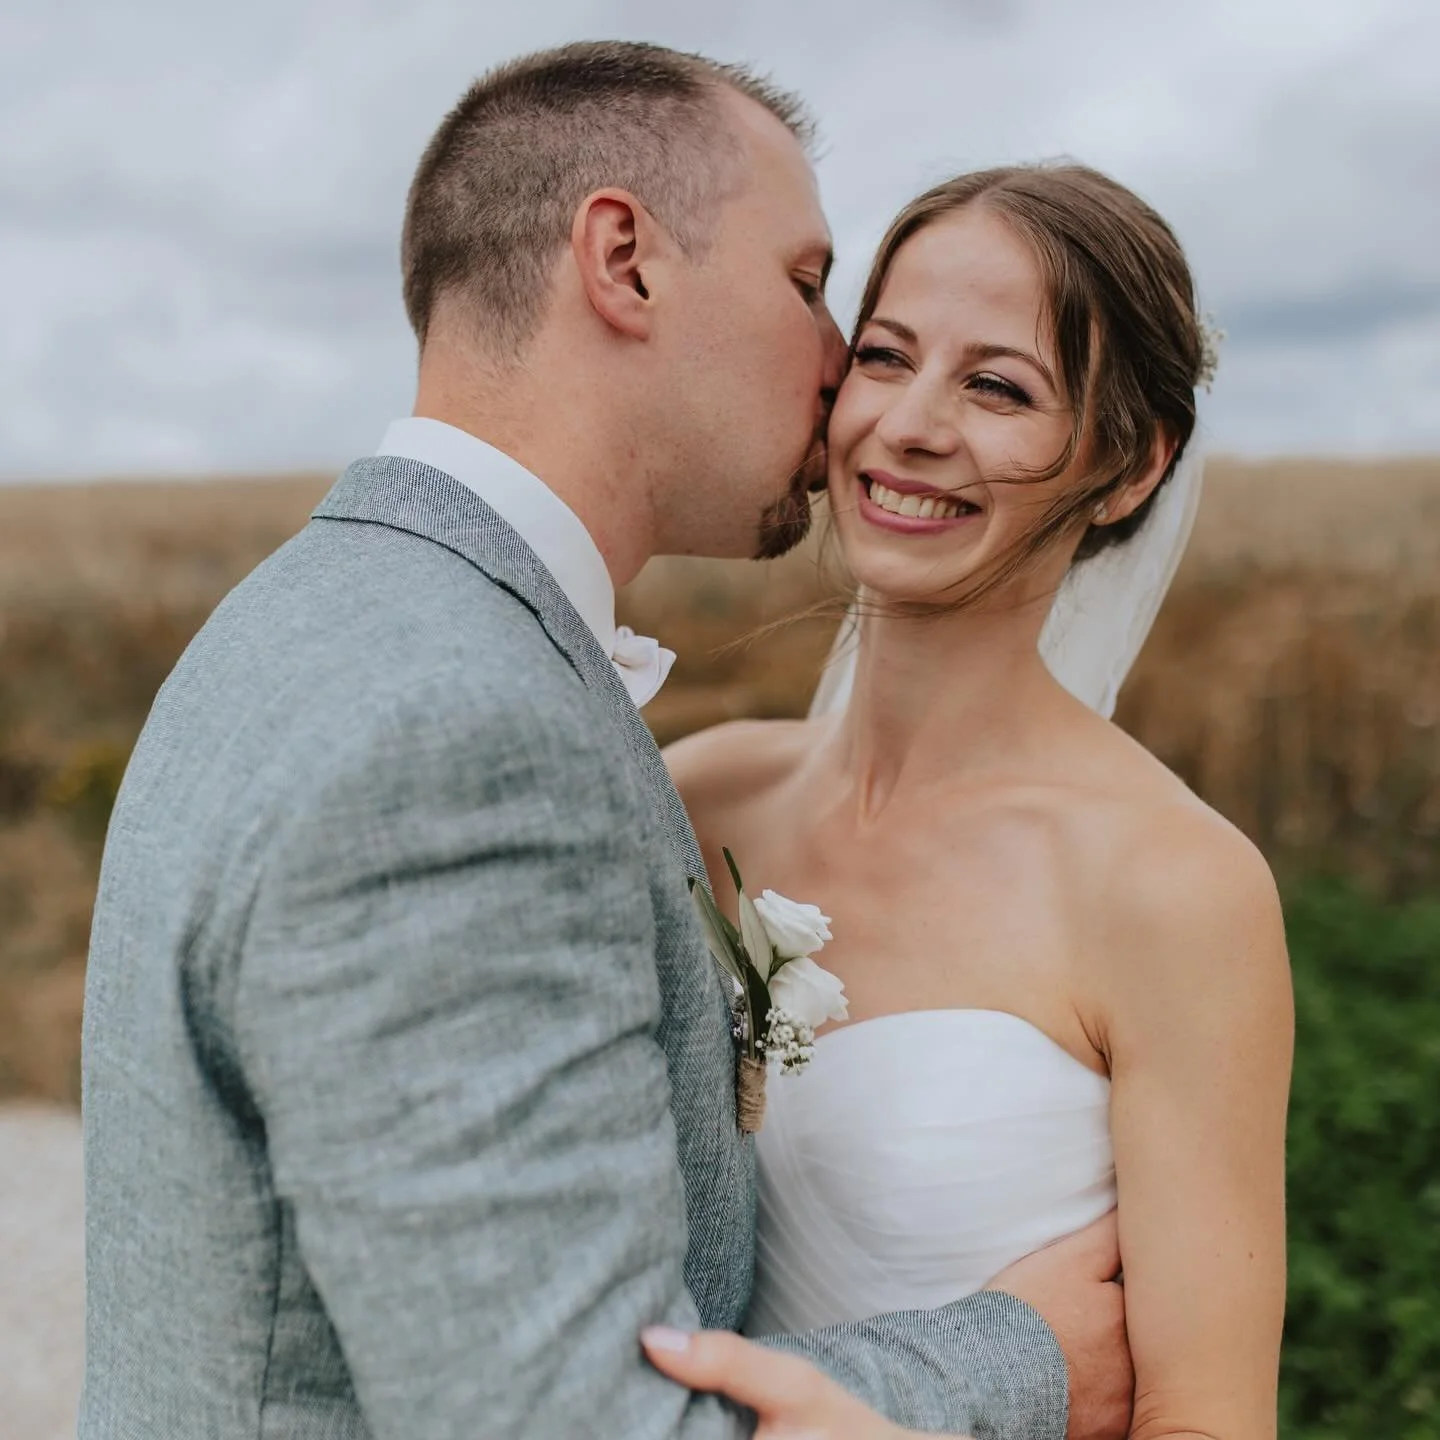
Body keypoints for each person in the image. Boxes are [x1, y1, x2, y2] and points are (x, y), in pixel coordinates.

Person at [80, 44, 1129, 1440]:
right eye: (808, 285)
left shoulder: (314, 611)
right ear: (624, 261)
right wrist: (1024, 1354)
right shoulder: (455, 733)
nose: (840, 373)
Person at [656, 165, 1294, 1438]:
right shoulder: (696, 792)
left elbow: (1207, 1420)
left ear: (1128, 468)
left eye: (999, 386)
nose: (911, 425)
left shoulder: (1173, 888)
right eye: (886, 357)